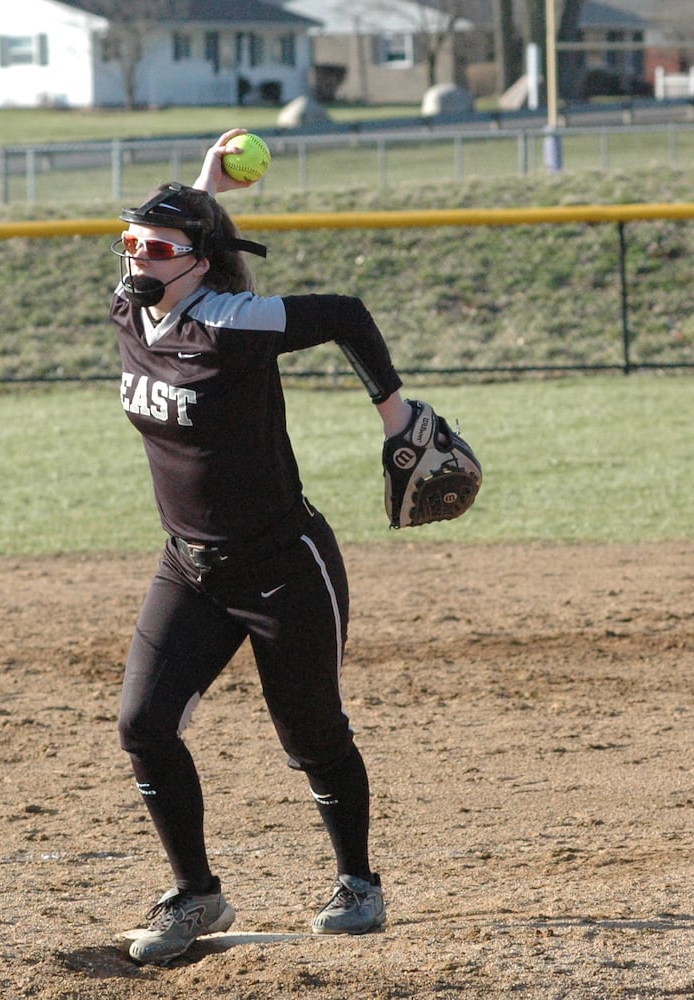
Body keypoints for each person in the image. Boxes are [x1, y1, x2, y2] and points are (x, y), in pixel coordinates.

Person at [112, 128, 414, 965]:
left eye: (157, 246)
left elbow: (347, 314)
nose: (137, 257)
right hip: (190, 564)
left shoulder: (233, 324)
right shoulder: (131, 307)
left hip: (282, 563)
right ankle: (197, 894)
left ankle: (358, 884)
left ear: (200, 263)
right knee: (143, 724)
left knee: (312, 733)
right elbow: (156, 245)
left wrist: (395, 416)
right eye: (131, 241)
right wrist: (202, 187)